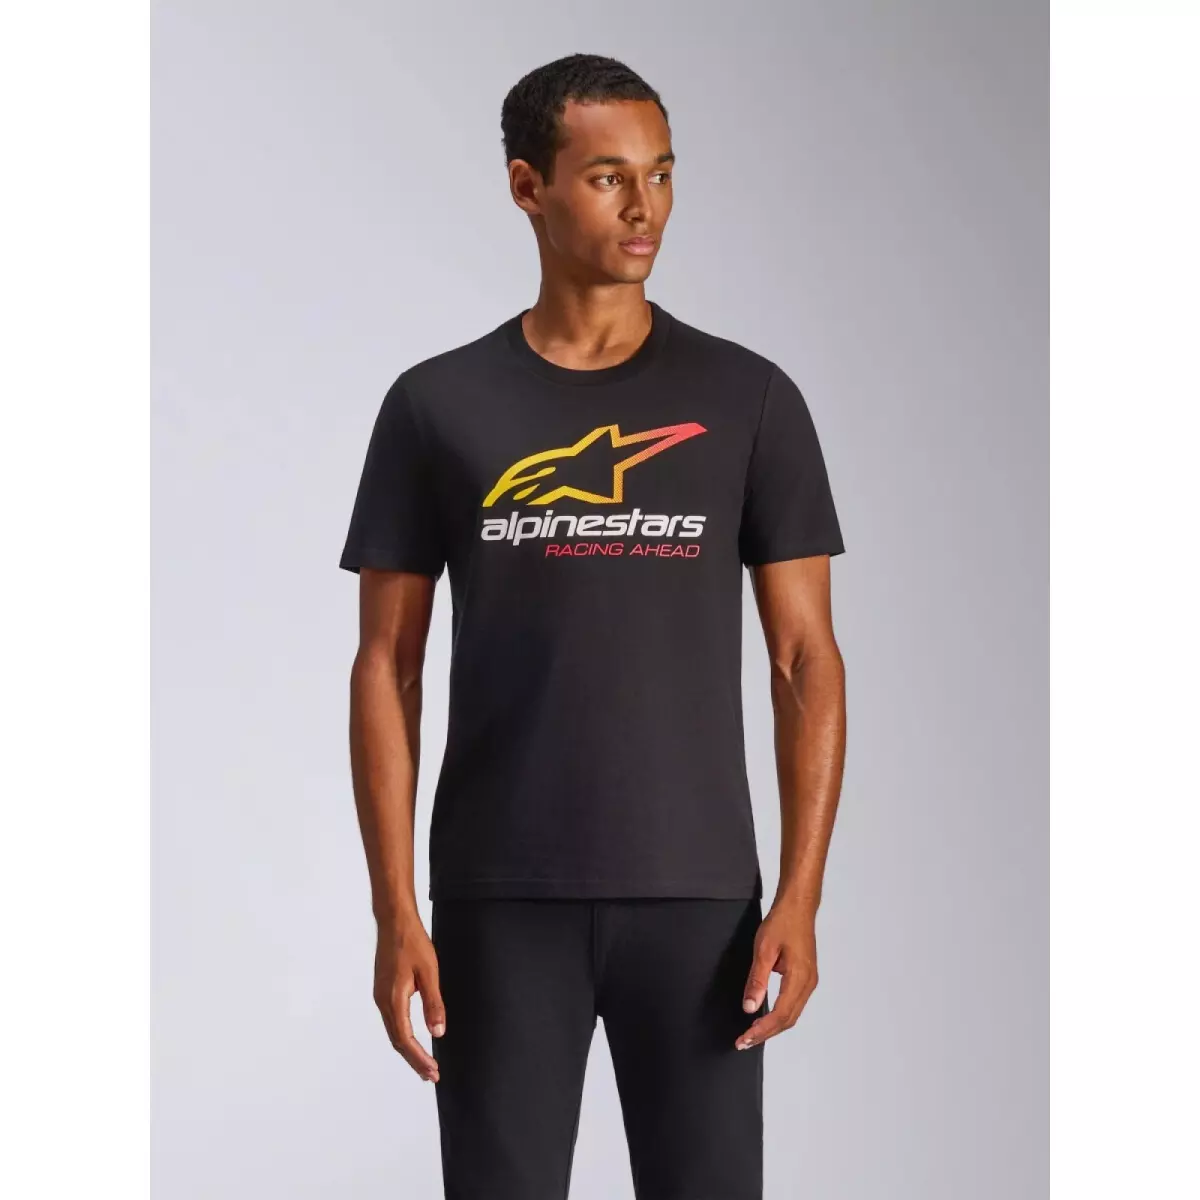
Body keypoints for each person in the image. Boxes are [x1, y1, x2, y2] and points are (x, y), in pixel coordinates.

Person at [338, 52, 847, 1200]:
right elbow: (385, 666)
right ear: (528, 187)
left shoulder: (748, 399)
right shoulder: (436, 405)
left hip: (700, 900)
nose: (644, 206)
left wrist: (801, 897)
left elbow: (804, 658)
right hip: (498, 900)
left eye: (661, 173)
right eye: (609, 177)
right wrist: (394, 909)